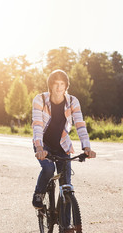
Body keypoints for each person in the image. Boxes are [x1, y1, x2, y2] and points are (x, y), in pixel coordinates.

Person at [31, 69, 96, 209]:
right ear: (50, 85)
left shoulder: (73, 101)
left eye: (62, 84)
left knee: (66, 184)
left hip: (62, 145)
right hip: (44, 145)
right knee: (48, 169)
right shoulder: (40, 99)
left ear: (66, 86)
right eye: (55, 84)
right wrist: (40, 148)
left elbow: (80, 125)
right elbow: (37, 125)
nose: (59, 87)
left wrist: (87, 148)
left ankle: (66, 227)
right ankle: (39, 194)